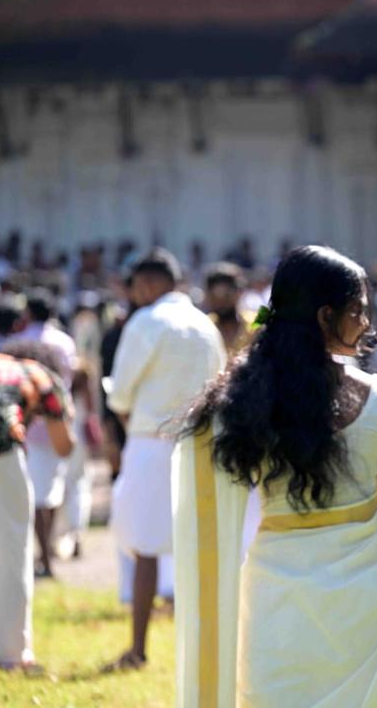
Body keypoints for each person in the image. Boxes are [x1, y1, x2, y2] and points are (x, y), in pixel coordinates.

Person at [176, 245, 377, 708]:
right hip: (367, 601)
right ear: (325, 316)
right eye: (358, 311)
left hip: (277, 597)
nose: (367, 325)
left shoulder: (243, 401)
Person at [105, 248, 226, 670]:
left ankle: (138, 649)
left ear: (151, 283)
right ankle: (202, 650)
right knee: (196, 548)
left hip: (150, 440)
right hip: (200, 441)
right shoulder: (204, 327)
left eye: (138, 286)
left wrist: (125, 419)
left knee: (144, 547)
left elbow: (120, 391)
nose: (136, 295)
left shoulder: (147, 321)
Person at [0, 341, 74, 669]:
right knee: (13, 552)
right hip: (2, 458)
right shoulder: (40, 376)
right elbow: (63, 445)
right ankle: (12, 652)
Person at [17, 289, 80, 578]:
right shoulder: (64, 341)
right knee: (51, 493)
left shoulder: (21, 342)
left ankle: (42, 555)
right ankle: (47, 551)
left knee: (33, 494)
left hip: (29, 426)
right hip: (58, 424)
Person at [203, 262, 254, 356]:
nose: (221, 303)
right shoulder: (204, 326)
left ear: (239, 293)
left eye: (226, 296)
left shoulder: (255, 323)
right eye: (216, 298)